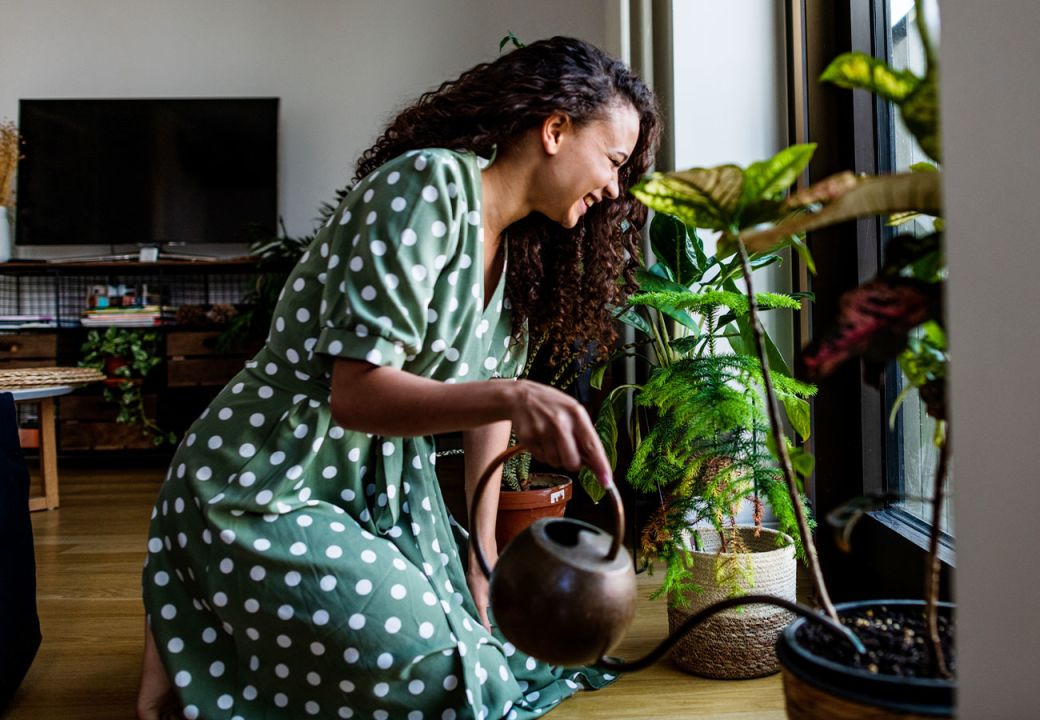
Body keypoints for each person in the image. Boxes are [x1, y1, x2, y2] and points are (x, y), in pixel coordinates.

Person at [137, 36, 661, 720]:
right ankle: (200, 616)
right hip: (267, 478)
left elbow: (485, 419)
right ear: (556, 129)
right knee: (436, 674)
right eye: (614, 161)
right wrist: (514, 392)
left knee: (485, 650)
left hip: (380, 496)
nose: (615, 188)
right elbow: (356, 394)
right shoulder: (429, 187)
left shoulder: (521, 262)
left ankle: (208, 642)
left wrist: (481, 558)